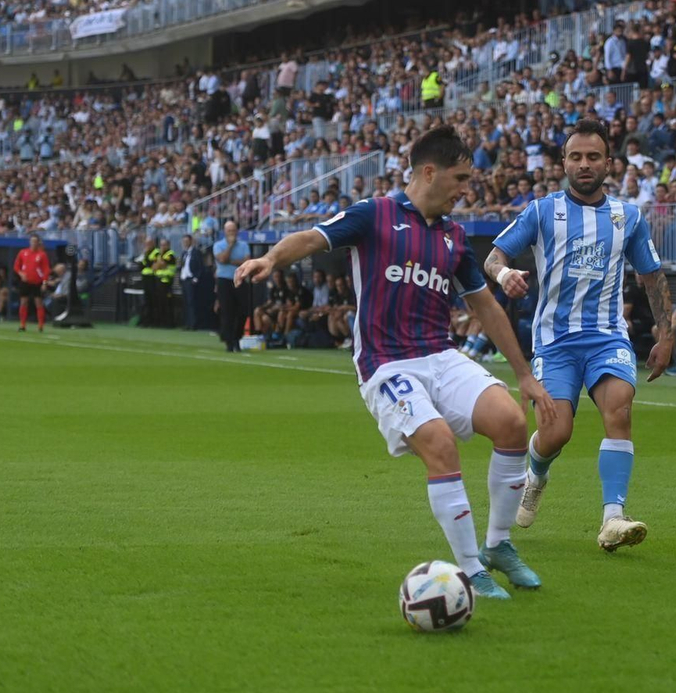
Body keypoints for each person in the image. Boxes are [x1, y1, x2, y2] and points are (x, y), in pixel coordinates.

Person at [236, 127, 558, 600]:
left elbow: (485, 306)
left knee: (510, 420)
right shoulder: (375, 214)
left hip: (441, 354)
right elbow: (313, 237)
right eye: (460, 177)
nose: (466, 188)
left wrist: (525, 375)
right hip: (387, 365)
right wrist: (272, 258)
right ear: (430, 172)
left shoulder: (453, 236)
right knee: (440, 445)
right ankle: (470, 569)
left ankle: (498, 545)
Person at [486, 118, 671, 553]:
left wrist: (666, 332)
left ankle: (613, 518)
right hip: (555, 342)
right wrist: (505, 273)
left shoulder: (629, 217)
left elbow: (652, 276)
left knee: (619, 413)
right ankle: (536, 473)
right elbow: (494, 257)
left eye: (593, 157)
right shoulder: (542, 210)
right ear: (563, 163)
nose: (584, 164)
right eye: (576, 157)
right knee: (557, 432)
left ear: (609, 162)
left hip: (608, 337)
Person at [213, 221, 250, 352]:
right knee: (227, 312)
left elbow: (246, 262)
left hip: (239, 280)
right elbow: (222, 259)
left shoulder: (244, 245)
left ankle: (237, 338)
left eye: (233, 231)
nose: (231, 234)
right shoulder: (218, 245)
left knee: (243, 311)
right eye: (229, 231)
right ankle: (229, 342)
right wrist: (230, 246)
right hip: (224, 281)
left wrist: (231, 262)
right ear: (225, 232)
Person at [13, 234, 52, 333]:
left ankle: (40, 325)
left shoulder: (42, 255)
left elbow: (46, 269)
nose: (34, 243)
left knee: (38, 303)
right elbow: (16, 266)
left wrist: (44, 282)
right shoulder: (23, 252)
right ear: (30, 242)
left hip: (37, 282)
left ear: (38, 243)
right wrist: (21, 274)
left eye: (35, 241)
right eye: (32, 241)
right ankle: (22, 324)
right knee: (23, 302)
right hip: (25, 281)